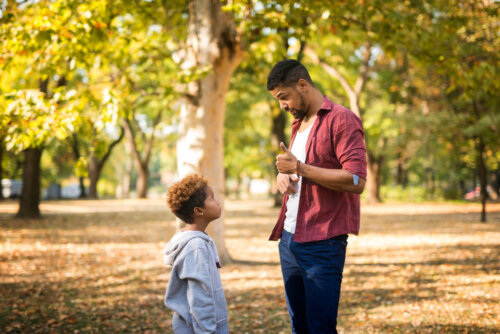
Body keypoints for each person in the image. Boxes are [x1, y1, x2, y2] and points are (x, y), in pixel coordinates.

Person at [267, 59, 367, 334]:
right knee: (299, 325)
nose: (283, 106)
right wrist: (284, 176)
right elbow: (301, 173)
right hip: (288, 239)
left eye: (283, 97)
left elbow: (357, 180)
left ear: (302, 85)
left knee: (320, 327)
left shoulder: (342, 119)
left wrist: (299, 168)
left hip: (323, 242)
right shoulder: (298, 125)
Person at [163, 174, 229, 334]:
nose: (217, 201)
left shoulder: (199, 240)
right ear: (199, 210)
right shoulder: (196, 247)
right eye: (212, 198)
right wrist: (208, 331)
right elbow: (200, 296)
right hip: (197, 328)